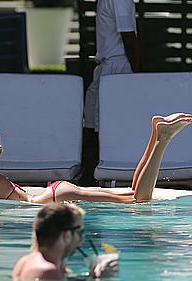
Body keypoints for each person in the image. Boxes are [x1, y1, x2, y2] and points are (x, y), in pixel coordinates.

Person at [0, 112, 192, 204]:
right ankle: (156, 134)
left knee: (139, 201)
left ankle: (162, 140)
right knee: (135, 195)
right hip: (53, 193)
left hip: (51, 198)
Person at [82, 0, 141, 185]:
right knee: (99, 124)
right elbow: (128, 37)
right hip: (117, 67)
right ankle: (93, 176)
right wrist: (141, 75)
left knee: (98, 124)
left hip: (111, 65)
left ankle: (94, 177)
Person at [12, 203, 117, 281]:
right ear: (66, 235)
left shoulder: (24, 262)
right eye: (80, 232)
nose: (82, 238)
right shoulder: (48, 272)